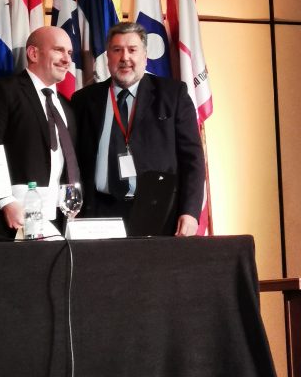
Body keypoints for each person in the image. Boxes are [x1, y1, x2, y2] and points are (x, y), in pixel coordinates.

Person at [72, 21, 205, 236]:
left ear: (145, 56)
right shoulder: (84, 100)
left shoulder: (173, 95)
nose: (124, 57)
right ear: (108, 57)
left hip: (158, 214)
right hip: (98, 214)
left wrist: (190, 211)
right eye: (117, 50)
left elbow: (193, 159)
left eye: (132, 50)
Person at [0, 25, 78, 238]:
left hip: (58, 217)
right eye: (58, 50)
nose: (66, 59)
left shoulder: (67, 106)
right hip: (12, 219)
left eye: (69, 53)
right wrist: (5, 201)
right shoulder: (3, 91)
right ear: (33, 53)